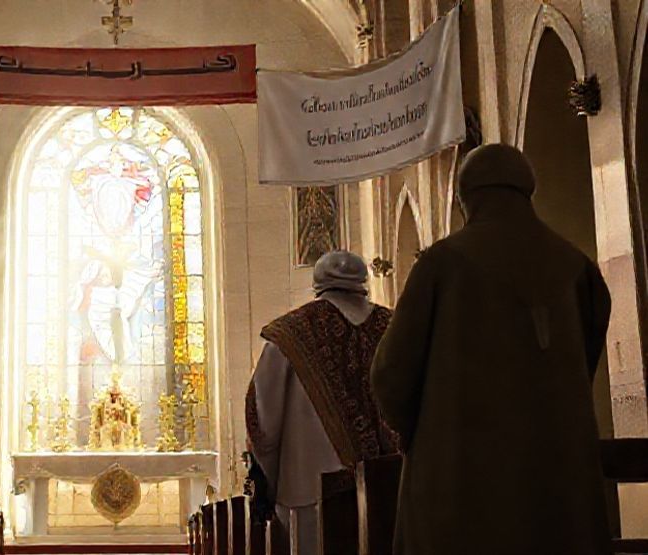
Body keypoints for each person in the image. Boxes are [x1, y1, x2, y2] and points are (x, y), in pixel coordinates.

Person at [370, 143, 612, 554]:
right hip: (559, 485)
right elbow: (585, 363)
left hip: (457, 484)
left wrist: (422, 435)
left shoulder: (441, 264)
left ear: (467, 197)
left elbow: (390, 375)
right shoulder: (578, 266)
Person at [245, 250, 398, 553]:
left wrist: (268, 484)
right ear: (362, 282)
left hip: (308, 491)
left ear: (318, 284)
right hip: (391, 489)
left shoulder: (288, 335)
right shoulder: (395, 327)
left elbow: (263, 423)